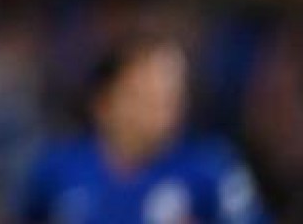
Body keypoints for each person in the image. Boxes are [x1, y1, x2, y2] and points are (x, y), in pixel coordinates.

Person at [16, 33, 268, 223]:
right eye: (145, 95)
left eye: (172, 95)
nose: (162, 109)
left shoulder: (212, 167)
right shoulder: (56, 169)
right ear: (104, 103)